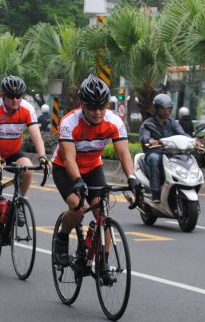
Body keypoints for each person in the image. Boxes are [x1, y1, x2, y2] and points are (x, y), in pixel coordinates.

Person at [51, 75, 141, 282]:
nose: (98, 112)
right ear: (82, 105)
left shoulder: (113, 122)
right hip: (66, 169)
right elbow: (69, 158)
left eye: (102, 106)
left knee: (103, 212)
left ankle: (103, 264)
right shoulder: (69, 123)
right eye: (93, 108)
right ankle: (62, 238)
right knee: (79, 206)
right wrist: (78, 181)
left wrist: (131, 178)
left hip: (93, 167)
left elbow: (124, 153)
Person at [0, 75, 49, 263]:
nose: (15, 100)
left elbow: (36, 135)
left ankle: (19, 203)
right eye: (11, 97)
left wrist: (42, 156)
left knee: (28, 169)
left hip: (13, 151)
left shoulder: (27, 109)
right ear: (3, 95)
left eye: (19, 97)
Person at [139, 93, 188, 200]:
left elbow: (182, 133)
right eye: (163, 109)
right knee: (154, 159)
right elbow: (144, 136)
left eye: (169, 108)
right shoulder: (148, 123)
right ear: (157, 109)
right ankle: (155, 193)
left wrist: (193, 141)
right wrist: (150, 140)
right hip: (155, 152)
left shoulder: (172, 123)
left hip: (170, 153)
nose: (167, 111)